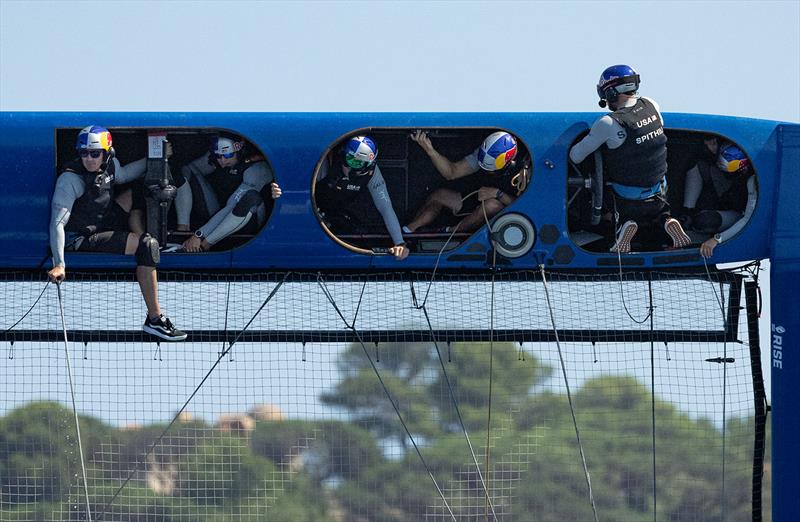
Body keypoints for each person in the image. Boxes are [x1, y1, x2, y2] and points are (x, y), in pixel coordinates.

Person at [48, 125, 186, 341]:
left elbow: (124, 175)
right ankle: (155, 320)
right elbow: (57, 223)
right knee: (146, 246)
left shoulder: (111, 165)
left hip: (103, 219)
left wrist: (155, 157)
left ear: (106, 152)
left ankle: (153, 241)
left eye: (95, 153)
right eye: (84, 153)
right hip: (82, 236)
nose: (89, 159)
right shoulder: (70, 180)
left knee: (141, 190)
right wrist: (59, 264)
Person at [569, 64, 691, 253]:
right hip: (660, 189)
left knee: (619, 210)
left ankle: (624, 227)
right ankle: (667, 221)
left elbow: (576, 156)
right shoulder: (652, 105)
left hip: (627, 196)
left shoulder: (608, 123)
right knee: (658, 212)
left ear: (611, 93)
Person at [404, 131, 526, 233]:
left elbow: (527, 206)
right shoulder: (486, 153)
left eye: (491, 171)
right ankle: (408, 232)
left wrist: (498, 194)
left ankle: (450, 232)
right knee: (440, 195)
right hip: (477, 198)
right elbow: (451, 172)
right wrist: (429, 149)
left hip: (505, 212)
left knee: (491, 206)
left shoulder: (527, 165)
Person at [175, 134, 281, 252]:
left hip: (248, 220)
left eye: (227, 155)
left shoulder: (256, 169)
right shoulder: (219, 161)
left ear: (239, 150)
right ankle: (182, 230)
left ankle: (205, 245)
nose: (223, 161)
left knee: (250, 197)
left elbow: (233, 204)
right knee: (184, 170)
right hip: (219, 214)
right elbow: (190, 170)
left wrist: (200, 235)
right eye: (218, 156)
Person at [315, 136, 409, 260]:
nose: (348, 167)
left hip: (339, 212)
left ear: (369, 165)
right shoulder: (326, 163)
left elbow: (385, 207)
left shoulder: (372, 173)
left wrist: (400, 243)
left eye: (356, 163)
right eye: (348, 159)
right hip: (315, 211)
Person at [679, 140, 757, 258]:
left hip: (737, 213)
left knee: (704, 221)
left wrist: (716, 240)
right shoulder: (724, 159)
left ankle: (693, 225)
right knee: (697, 164)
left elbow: (747, 219)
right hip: (727, 193)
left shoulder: (752, 181)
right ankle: (687, 213)